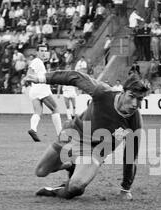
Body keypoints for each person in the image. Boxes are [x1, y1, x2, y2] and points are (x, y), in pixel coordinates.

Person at [23, 71, 150, 200]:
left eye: (140, 99)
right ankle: (71, 164)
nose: (135, 104)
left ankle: (58, 190)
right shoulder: (103, 93)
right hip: (72, 134)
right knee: (40, 171)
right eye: (132, 96)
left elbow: (130, 156)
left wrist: (125, 188)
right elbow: (75, 77)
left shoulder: (134, 122)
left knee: (75, 187)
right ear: (123, 92)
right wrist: (42, 78)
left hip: (95, 152)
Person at [26, 45, 62, 142]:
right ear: (37, 52)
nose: (43, 53)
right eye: (41, 51)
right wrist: (32, 79)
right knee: (55, 108)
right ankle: (60, 134)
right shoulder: (37, 61)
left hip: (33, 90)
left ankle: (33, 129)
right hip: (41, 88)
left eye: (45, 51)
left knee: (38, 111)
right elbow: (29, 74)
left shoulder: (39, 62)